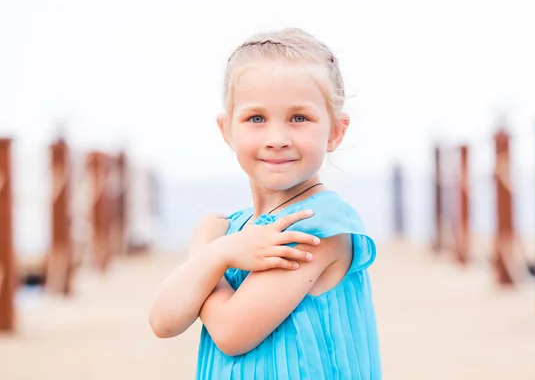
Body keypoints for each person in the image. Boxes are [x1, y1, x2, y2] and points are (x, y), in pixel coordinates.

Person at [149, 27, 382, 379]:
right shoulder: (236, 231)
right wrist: (216, 252)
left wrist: (208, 252)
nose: (277, 139)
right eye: (256, 118)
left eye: (299, 118)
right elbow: (163, 321)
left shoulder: (316, 225)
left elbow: (231, 332)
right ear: (227, 129)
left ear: (335, 132)